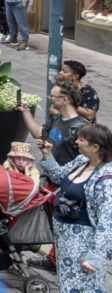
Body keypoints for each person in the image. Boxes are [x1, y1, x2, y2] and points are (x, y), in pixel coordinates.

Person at [36, 122, 112, 293]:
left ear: (95, 147)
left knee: (84, 288)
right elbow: (58, 177)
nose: (76, 142)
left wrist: (95, 258)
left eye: (81, 139)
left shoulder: (106, 179)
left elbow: (107, 223)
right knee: (67, 286)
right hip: (65, 241)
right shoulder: (81, 161)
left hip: (83, 245)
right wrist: (47, 154)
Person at [21, 80, 90, 167]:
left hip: (67, 177)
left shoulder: (81, 127)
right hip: (50, 175)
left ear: (64, 100)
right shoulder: (57, 118)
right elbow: (38, 133)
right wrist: (25, 111)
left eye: (53, 96)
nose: (50, 98)